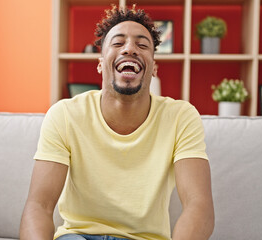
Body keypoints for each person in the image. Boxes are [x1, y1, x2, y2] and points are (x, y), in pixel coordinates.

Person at [20, 5, 214, 240]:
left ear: (153, 68)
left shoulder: (181, 117)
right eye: (118, 43)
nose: (130, 48)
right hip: (78, 236)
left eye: (142, 45)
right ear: (101, 63)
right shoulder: (65, 114)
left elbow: (198, 205)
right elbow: (39, 205)